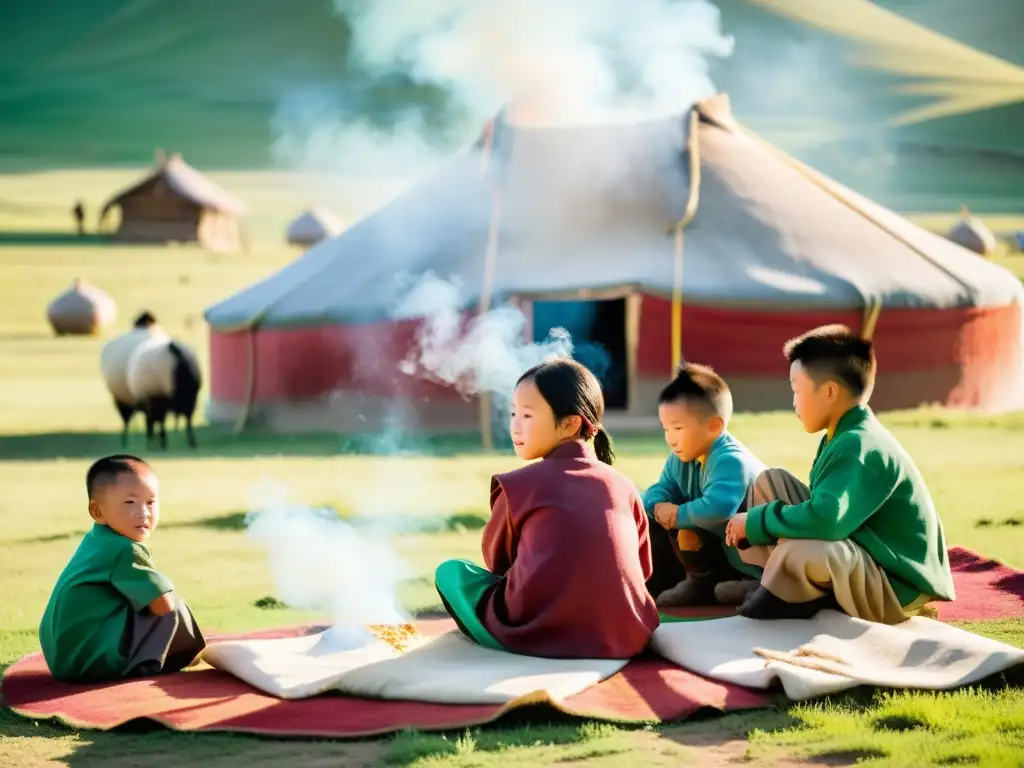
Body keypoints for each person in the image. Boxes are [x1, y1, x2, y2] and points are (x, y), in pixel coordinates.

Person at [725, 325, 956, 624]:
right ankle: (779, 582)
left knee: (805, 547)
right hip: (863, 550)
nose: (793, 401)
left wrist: (757, 522)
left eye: (797, 390)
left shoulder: (858, 444)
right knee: (771, 483)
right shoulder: (841, 435)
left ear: (831, 391)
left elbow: (827, 520)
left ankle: (787, 593)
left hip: (896, 584)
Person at [434, 357, 659, 659]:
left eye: (527, 416)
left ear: (570, 423)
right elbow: (642, 571)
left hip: (536, 633)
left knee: (451, 573)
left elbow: (497, 562)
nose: (515, 426)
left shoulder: (519, 485)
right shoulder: (625, 485)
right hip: (625, 635)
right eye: (513, 413)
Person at [39, 455, 206, 682]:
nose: (143, 512)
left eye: (150, 502)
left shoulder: (97, 538)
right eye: (130, 503)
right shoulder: (124, 549)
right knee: (174, 604)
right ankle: (166, 660)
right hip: (86, 662)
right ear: (98, 511)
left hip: (63, 657)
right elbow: (163, 606)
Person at [643, 363, 766, 607]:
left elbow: (718, 507)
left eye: (678, 428)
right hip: (724, 551)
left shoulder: (730, 459)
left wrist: (676, 514)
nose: (671, 438)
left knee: (688, 516)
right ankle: (700, 580)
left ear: (714, 426)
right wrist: (657, 506)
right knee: (679, 522)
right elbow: (661, 487)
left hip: (758, 554)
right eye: (665, 428)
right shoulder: (681, 458)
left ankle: (762, 583)